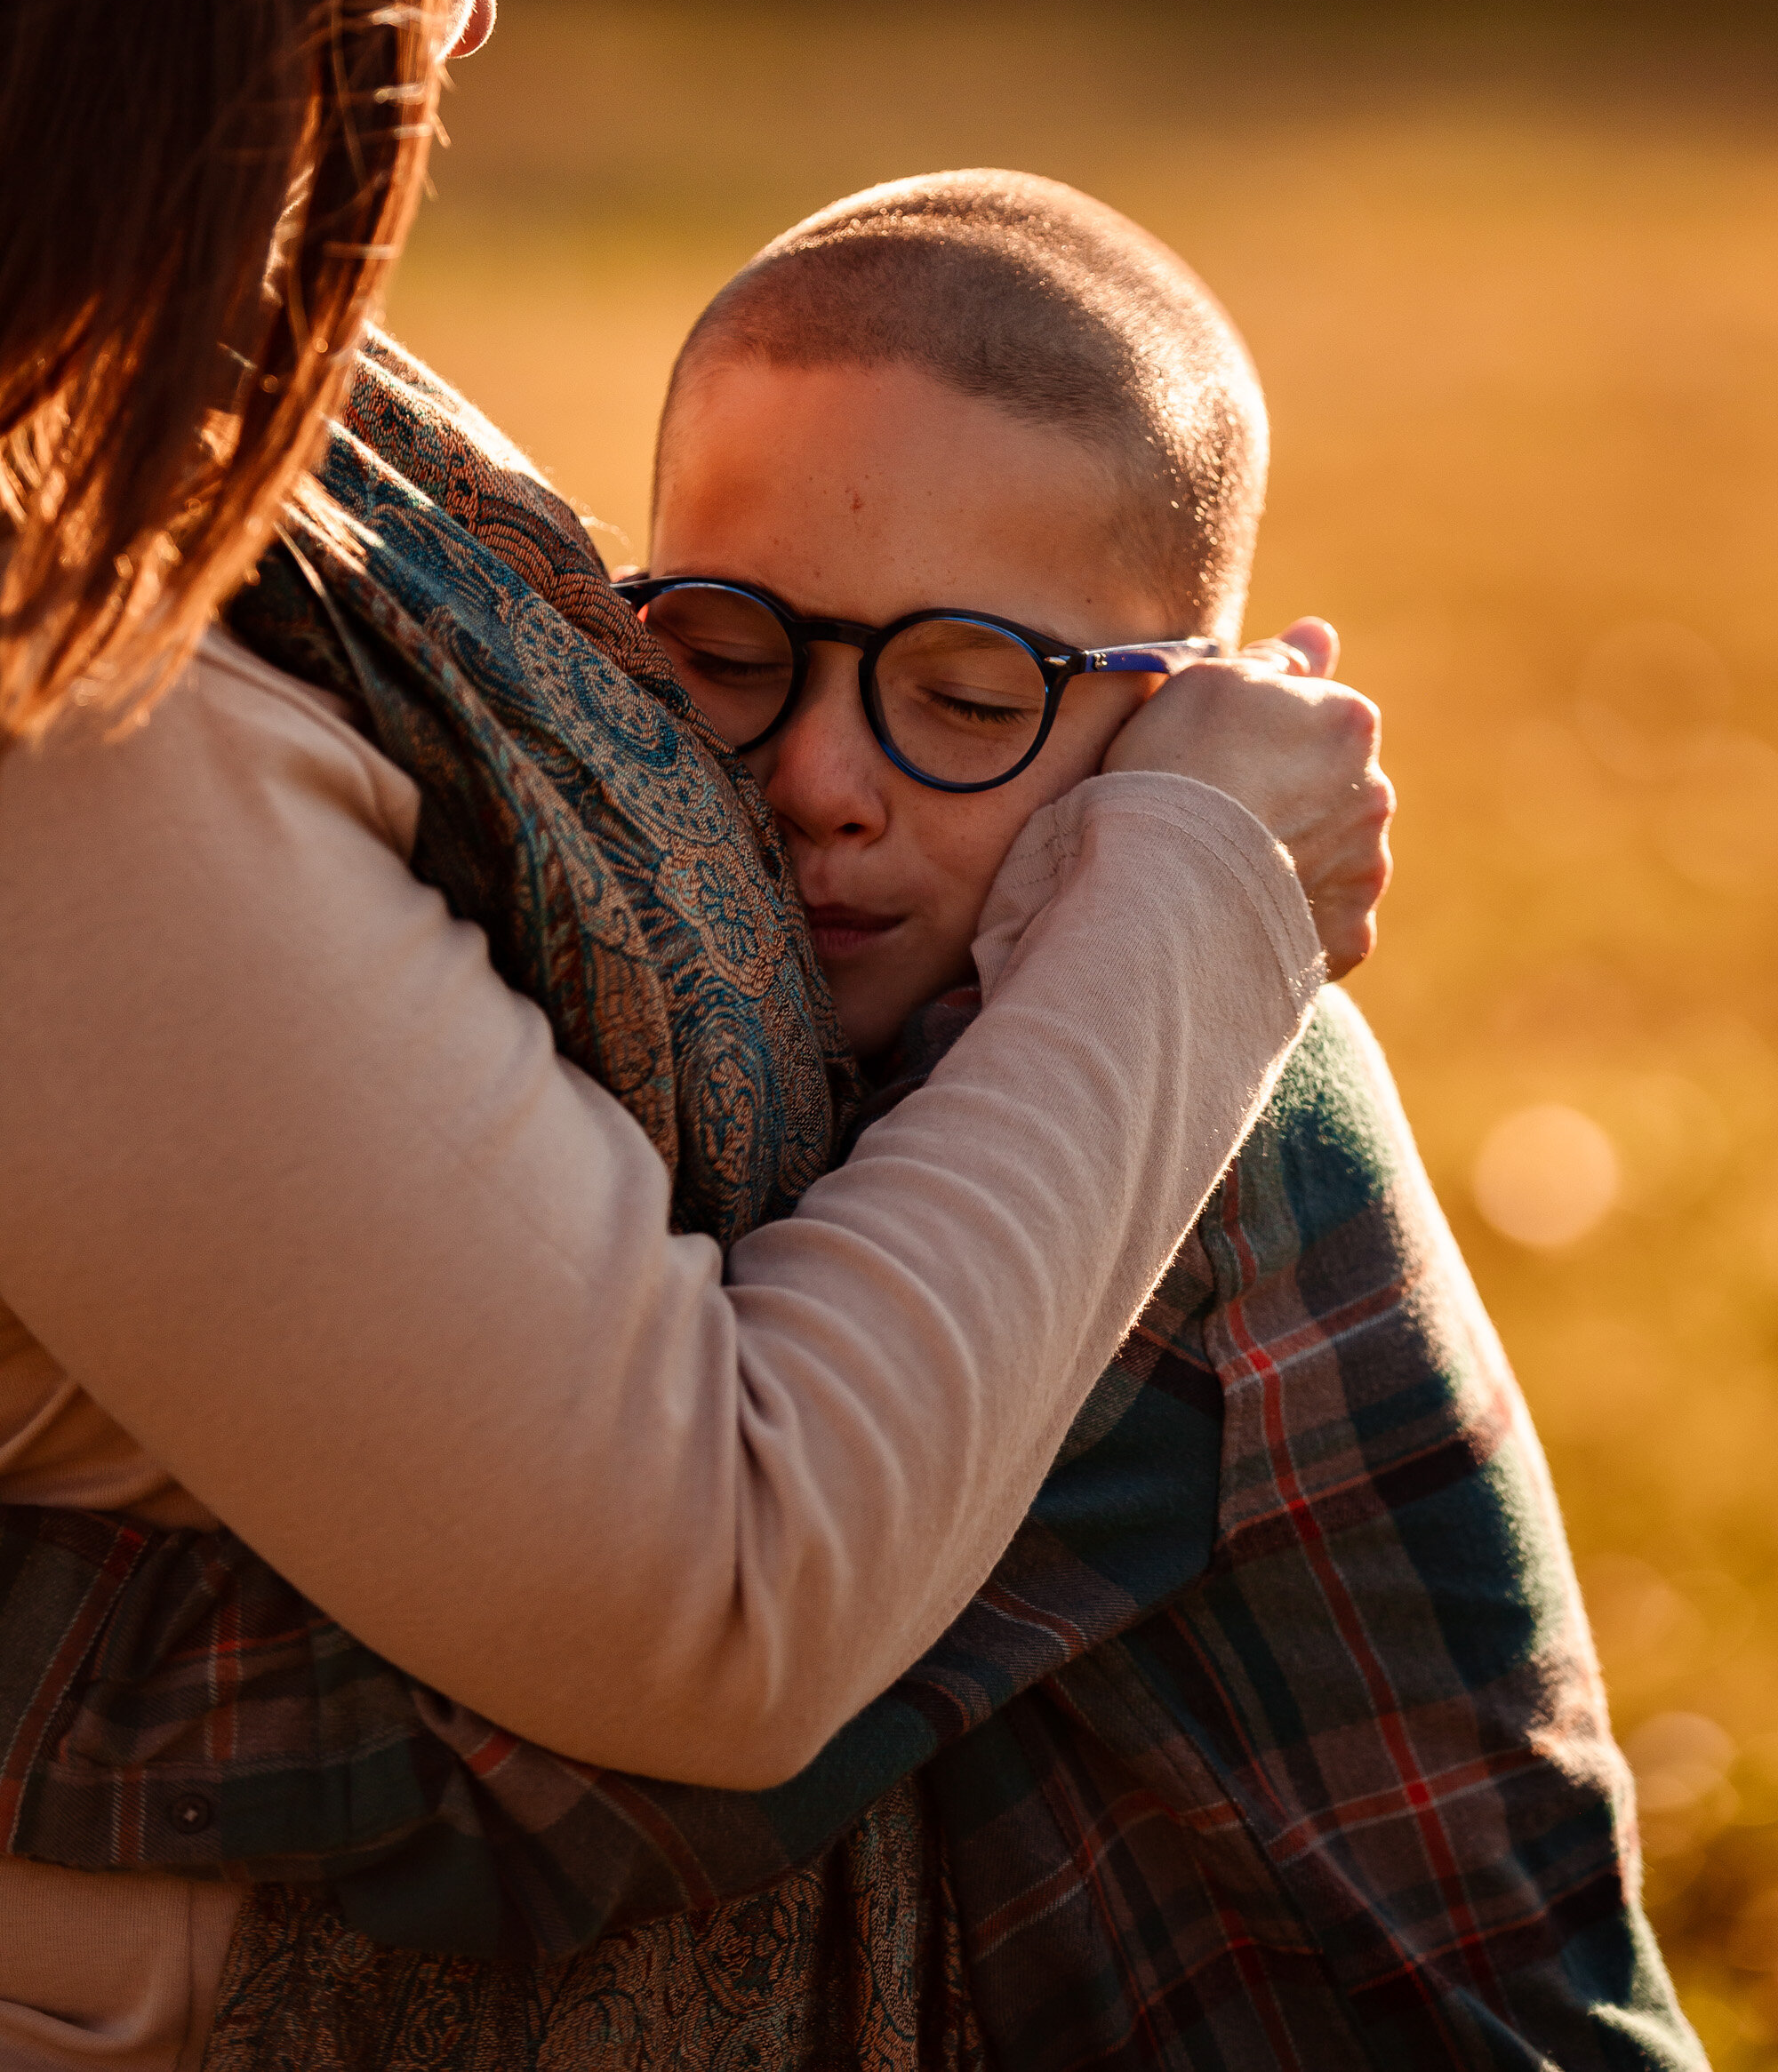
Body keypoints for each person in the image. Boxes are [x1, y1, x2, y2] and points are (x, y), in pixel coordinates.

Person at [0, 0, 1390, 2063]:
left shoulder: (215, 421)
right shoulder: (68, 681)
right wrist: (1202, 889)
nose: (479, 9)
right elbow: (722, 1588)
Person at [0, 174, 1702, 2071]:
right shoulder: (803, 1061)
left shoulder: (1152, 1165)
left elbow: (559, 1787)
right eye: (724, 658)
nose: (817, 780)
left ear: (1187, 729)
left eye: (967, 698)